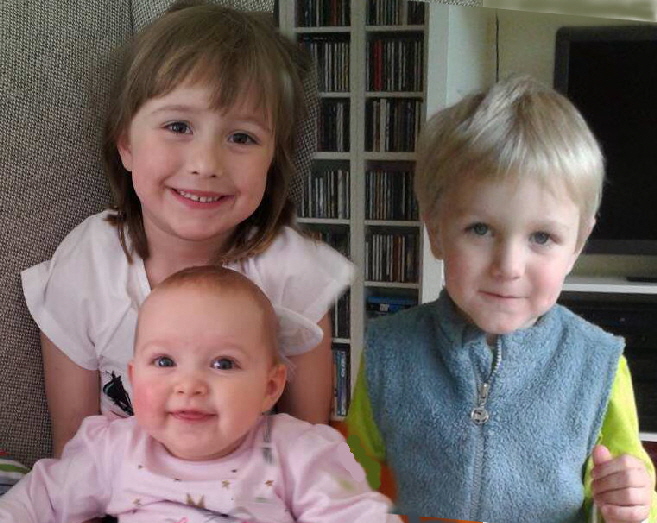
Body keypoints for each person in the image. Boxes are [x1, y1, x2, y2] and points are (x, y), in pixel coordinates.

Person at [21, 0, 353, 459]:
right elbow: (72, 451)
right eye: (178, 126)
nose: (205, 164)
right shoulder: (88, 266)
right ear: (126, 144)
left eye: (242, 137)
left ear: (272, 162)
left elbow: (310, 444)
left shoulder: (289, 267)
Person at [346, 75, 657, 523]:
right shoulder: (388, 351)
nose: (508, 266)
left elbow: (629, 493)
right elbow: (350, 478)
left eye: (542, 236)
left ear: (578, 243)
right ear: (436, 230)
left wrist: (633, 507)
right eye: (480, 229)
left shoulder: (598, 364)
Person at [0, 266, 399, 522]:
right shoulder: (114, 449)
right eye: (164, 361)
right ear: (134, 379)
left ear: (270, 387)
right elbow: (40, 499)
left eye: (223, 363)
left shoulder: (297, 453)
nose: (189, 385)